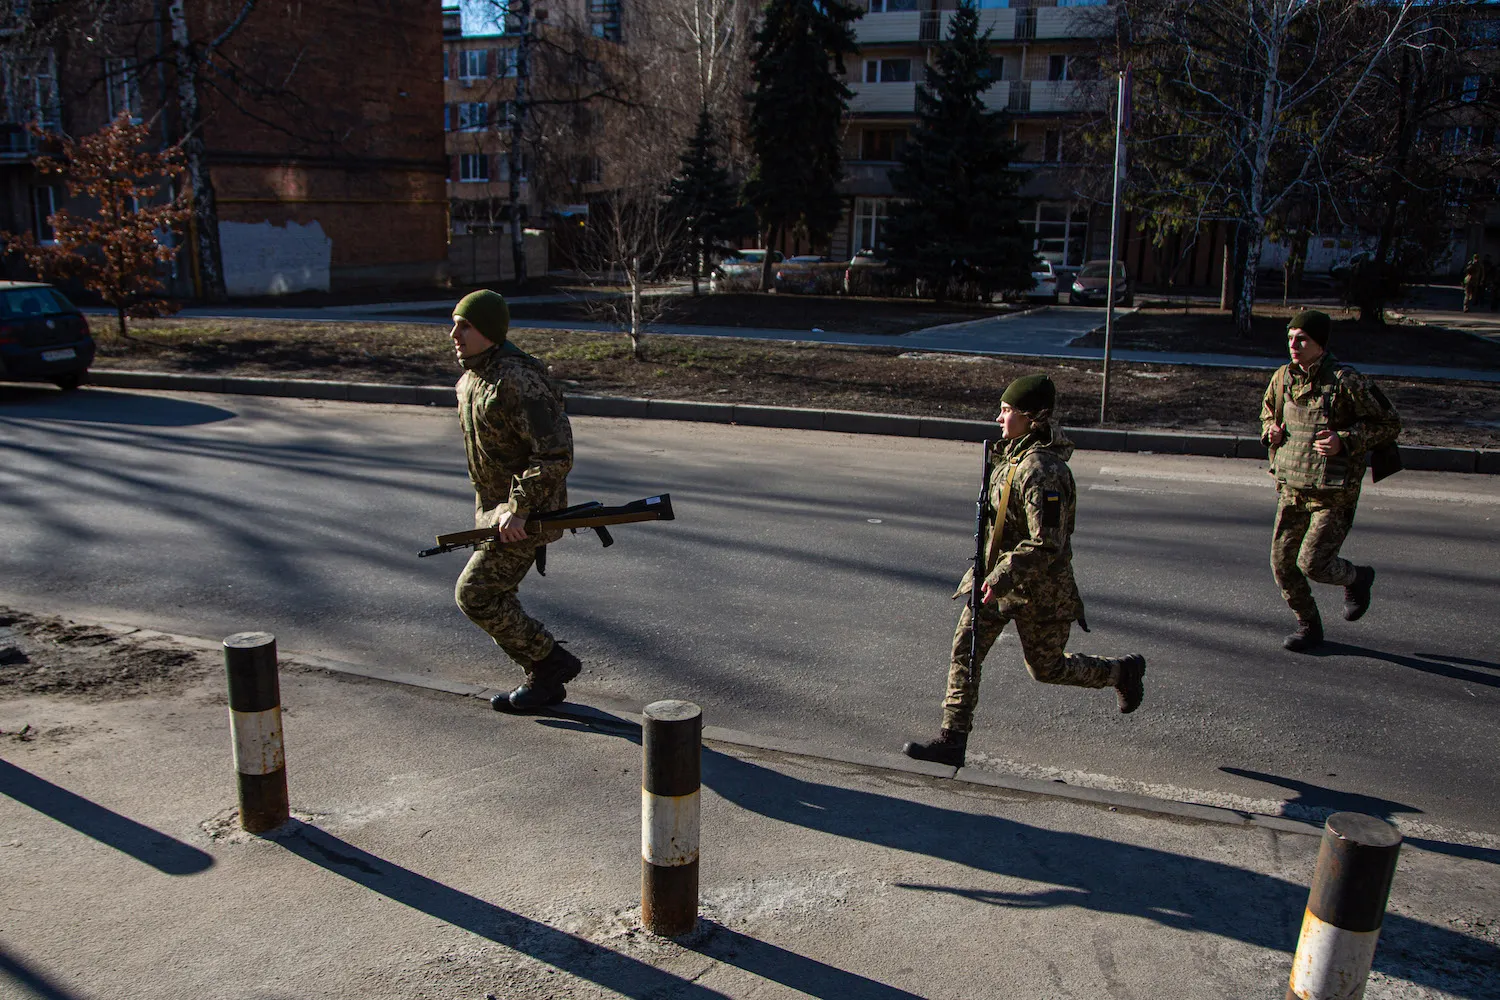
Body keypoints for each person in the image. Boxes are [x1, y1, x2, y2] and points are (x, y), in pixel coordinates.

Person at [903, 375, 1147, 768]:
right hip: (997, 584)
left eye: (1006, 410)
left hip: (1039, 589)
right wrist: (989, 576)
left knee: (1046, 668)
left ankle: (1121, 673)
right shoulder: (1013, 455)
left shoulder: (1043, 470)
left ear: (1031, 417)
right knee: (966, 650)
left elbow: (1046, 542)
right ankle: (952, 740)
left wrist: (1000, 578)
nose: (999, 418)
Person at [448, 289, 582, 711]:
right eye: (453, 323)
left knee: (475, 595)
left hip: (528, 515)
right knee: (494, 593)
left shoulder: (517, 379)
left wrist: (519, 507)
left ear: (488, 330)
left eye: (464, 325)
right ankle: (545, 677)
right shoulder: (472, 379)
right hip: (496, 515)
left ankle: (549, 663)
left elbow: (556, 453)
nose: (454, 333)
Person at [1260, 309, 1402, 653]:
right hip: (1292, 486)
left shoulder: (1346, 381)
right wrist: (1270, 431)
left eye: (1302, 339)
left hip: (1333, 493)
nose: (1293, 344)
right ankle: (1308, 626)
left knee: (1313, 563)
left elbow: (1390, 423)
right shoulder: (1282, 378)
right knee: (1281, 563)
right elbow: (1267, 412)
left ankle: (1358, 578)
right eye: (1290, 337)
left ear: (1319, 343)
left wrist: (1345, 439)